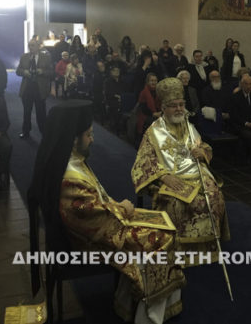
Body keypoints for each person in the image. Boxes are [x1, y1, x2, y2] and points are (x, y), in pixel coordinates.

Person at [28, 101, 185, 323]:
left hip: (95, 228)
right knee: (163, 236)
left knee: (161, 223)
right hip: (87, 241)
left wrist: (115, 206)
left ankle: (129, 301)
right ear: (73, 139)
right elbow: (92, 216)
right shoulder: (69, 178)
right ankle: (149, 314)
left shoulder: (67, 160)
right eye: (89, 134)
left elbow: (94, 203)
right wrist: (122, 209)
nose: (92, 139)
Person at [131, 77, 229, 262]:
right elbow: (143, 162)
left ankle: (207, 247)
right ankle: (178, 249)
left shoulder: (189, 127)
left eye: (181, 105)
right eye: (173, 106)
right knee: (178, 204)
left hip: (195, 173)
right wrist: (163, 176)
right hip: (170, 177)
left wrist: (202, 152)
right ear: (163, 108)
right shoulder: (153, 132)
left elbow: (203, 145)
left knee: (213, 194)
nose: (179, 109)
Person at [16, 39, 53, 139]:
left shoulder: (46, 57)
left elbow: (51, 72)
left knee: (41, 112)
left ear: (38, 46)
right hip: (27, 88)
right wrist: (24, 72)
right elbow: (18, 71)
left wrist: (42, 71)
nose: (30, 47)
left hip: (40, 89)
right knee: (26, 112)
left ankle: (44, 131)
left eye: (33, 45)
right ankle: (26, 131)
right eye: (29, 45)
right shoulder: (24, 57)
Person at [136, 73, 161, 142]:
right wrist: (154, 114)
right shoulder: (143, 92)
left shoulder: (158, 92)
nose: (154, 82)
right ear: (147, 82)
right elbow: (143, 109)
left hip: (157, 113)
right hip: (146, 115)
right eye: (152, 81)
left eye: (155, 81)